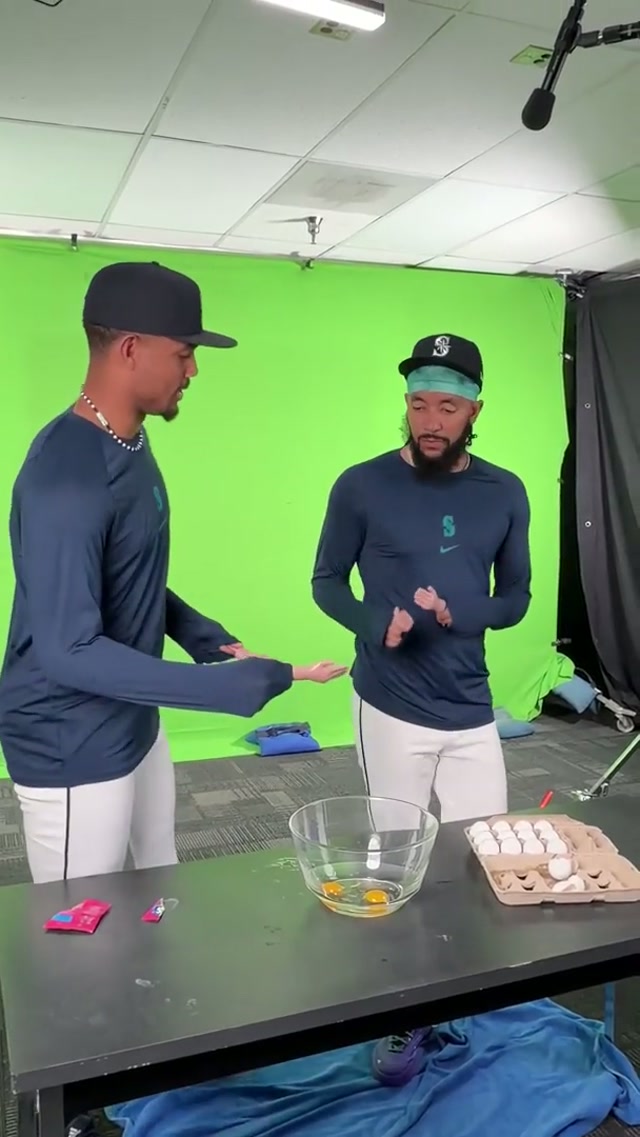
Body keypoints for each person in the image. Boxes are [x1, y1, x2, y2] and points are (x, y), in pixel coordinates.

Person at [0, 260, 346, 885]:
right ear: (131, 349)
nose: (193, 371)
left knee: (158, 881)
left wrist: (198, 633)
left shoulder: (129, 442)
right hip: (70, 738)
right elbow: (68, 650)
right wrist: (227, 689)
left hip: (133, 715)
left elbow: (124, 568)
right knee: (85, 931)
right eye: (185, 353)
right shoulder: (65, 476)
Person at [312, 333, 531, 1084]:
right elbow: (327, 581)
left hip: (471, 707)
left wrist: (464, 610)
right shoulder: (360, 485)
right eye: (417, 403)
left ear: (474, 408)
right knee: (396, 865)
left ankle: (460, 997)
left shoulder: (504, 491)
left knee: (484, 860)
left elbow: (517, 598)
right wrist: (380, 623)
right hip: (393, 702)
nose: (429, 419)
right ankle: (400, 1014)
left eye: (446, 405)